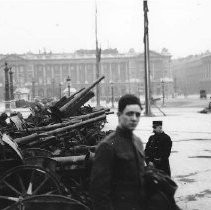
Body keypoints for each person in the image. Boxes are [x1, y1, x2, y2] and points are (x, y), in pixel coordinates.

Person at [90, 94, 145, 210]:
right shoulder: (107, 146)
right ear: (119, 115)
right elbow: (99, 193)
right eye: (129, 113)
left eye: (137, 114)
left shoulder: (138, 142)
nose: (134, 118)